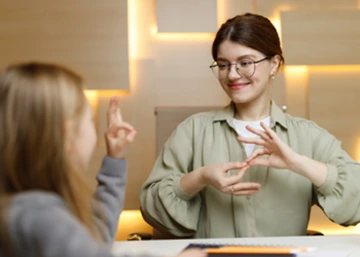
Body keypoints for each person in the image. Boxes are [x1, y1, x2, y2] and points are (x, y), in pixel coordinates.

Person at [140, 13, 360, 238]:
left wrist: (299, 163)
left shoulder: (308, 135)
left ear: (274, 64)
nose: (232, 75)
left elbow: (356, 202)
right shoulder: (192, 131)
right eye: (224, 65)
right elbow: (151, 209)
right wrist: (201, 177)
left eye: (245, 63)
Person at [0, 62, 206, 257]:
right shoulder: (42, 218)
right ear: (67, 134)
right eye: (90, 119)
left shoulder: (23, 210)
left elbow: (95, 238)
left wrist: (115, 159)